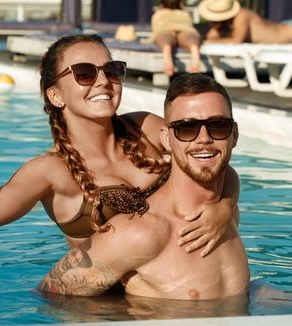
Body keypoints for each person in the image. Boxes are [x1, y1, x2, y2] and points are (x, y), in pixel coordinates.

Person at [0, 34, 238, 257]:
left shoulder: (144, 128)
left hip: (179, 286)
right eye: (85, 73)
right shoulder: (52, 171)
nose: (103, 81)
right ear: (56, 95)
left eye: (112, 70)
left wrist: (224, 208)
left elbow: (212, 160)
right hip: (101, 311)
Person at [37, 73, 250, 300]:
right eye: (186, 129)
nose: (204, 139)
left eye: (218, 125)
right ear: (166, 139)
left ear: (234, 134)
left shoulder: (226, 213)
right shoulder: (139, 234)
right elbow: (50, 296)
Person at [199, 0, 292, 44]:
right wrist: (216, 26)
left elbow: (236, 41)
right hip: (289, 30)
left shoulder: (242, 15)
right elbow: (210, 37)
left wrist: (209, 40)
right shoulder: (227, 23)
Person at [150, 0, 201, 76]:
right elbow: (190, 27)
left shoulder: (159, 14)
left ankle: (166, 51)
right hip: (185, 29)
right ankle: (195, 51)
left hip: (165, 29)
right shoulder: (184, 14)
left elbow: (156, 30)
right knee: (190, 37)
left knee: (164, 37)